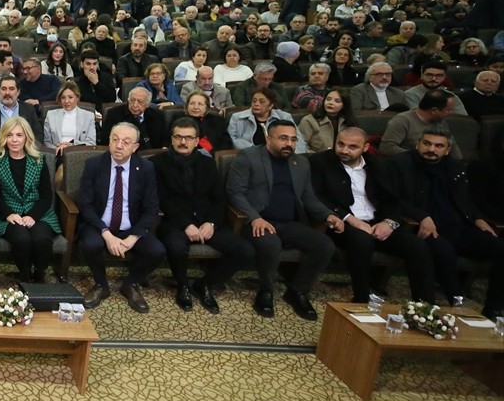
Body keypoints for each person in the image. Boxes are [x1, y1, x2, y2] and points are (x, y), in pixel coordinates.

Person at [226, 118, 342, 320]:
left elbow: (308, 197)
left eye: (293, 139)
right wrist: (255, 218)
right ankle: (266, 291)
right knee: (271, 243)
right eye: (283, 138)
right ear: (268, 138)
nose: (289, 144)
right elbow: (235, 193)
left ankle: (297, 291)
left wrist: (328, 214)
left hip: (289, 223)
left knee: (325, 245)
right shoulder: (248, 157)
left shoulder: (301, 162)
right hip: (257, 222)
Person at [388, 126, 503, 318]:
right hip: (423, 228)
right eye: (427, 143)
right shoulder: (400, 163)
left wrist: (479, 220)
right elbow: (392, 199)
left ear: (447, 150)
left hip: (458, 226)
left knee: (501, 248)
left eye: (438, 146)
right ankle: (456, 300)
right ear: (418, 144)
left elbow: (466, 201)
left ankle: (495, 307)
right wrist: (421, 216)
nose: (432, 149)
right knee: (444, 250)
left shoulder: (455, 167)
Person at [310, 128, 436, 303]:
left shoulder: (379, 165)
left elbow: (392, 199)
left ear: (365, 147)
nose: (344, 150)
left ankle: (425, 306)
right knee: (361, 240)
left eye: (352, 147)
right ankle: (361, 298)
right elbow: (317, 196)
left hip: (377, 222)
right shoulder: (320, 162)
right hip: (341, 224)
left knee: (417, 246)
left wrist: (390, 222)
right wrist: (350, 219)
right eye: (341, 144)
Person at [151, 117, 254, 313]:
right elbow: (162, 199)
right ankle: (183, 286)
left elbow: (218, 199)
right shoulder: (157, 163)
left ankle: (205, 284)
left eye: (188, 138)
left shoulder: (207, 163)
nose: (183, 142)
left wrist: (211, 223)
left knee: (245, 251)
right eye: (179, 137)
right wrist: (185, 224)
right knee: (175, 246)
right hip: (174, 221)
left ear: (197, 140)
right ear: (171, 139)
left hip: (207, 220)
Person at [74, 121, 165, 312]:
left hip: (131, 226)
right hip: (100, 223)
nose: (119, 145)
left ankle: (131, 283)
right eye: (115, 140)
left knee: (157, 250)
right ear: (109, 141)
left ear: (135, 147)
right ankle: (101, 285)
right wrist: (106, 233)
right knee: (90, 244)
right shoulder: (94, 165)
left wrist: (133, 237)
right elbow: (86, 205)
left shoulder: (146, 168)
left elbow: (151, 208)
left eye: (125, 141)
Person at [0, 117, 61, 283]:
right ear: (3, 138)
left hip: (38, 212)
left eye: (19, 135)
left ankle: (40, 273)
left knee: (41, 239)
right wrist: (8, 214)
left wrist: (32, 216)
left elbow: (46, 195)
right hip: (9, 213)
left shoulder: (38, 160)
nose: (14, 140)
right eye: (10, 135)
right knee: (22, 239)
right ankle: (25, 275)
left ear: (27, 137)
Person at [381, 89, 464, 159]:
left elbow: (452, 145)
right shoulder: (402, 121)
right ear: (434, 110)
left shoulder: (440, 121)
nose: (451, 113)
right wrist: (421, 155)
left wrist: (459, 163)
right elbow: (387, 148)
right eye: (448, 110)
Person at [228, 88, 305, 152]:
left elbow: (298, 140)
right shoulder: (238, 117)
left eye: (262, 102)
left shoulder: (284, 117)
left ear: (270, 105)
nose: (256, 104)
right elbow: (232, 139)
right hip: (251, 155)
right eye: (254, 101)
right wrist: (257, 151)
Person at [101, 86, 167, 150]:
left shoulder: (157, 115)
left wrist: (164, 148)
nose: (135, 105)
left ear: (147, 104)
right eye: (132, 100)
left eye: (140, 102)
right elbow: (106, 140)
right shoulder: (114, 113)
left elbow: (166, 138)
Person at [43, 82, 96, 154]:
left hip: (78, 152)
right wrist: (58, 149)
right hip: (56, 153)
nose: (66, 101)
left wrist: (71, 146)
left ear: (77, 98)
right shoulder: (51, 115)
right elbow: (46, 141)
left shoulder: (88, 116)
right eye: (63, 98)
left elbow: (91, 143)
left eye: (70, 97)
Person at [404, 61, 469, 115]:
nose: (433, 78)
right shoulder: (411, 94)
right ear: (422, 76)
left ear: (444, 77)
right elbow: (417, 117)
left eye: (439, 75)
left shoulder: (451, 96)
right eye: (429, 75)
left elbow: (461, 118)